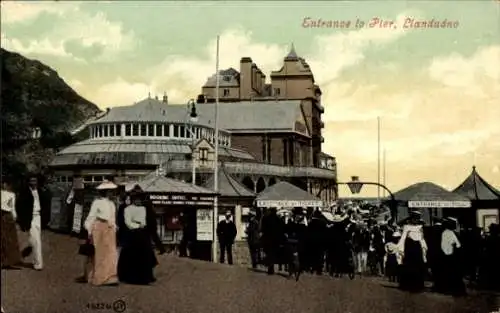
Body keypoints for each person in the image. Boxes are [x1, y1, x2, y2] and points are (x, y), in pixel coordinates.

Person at [118, 188, 162, 285]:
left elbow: (147, 223)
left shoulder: (144, 208)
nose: (138, 201)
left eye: (139, 199)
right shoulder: (128, 209)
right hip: (132, 236)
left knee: (143, 257)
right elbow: (126, 222)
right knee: (132, 257)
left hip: (142, 236)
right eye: (136, 199)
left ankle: (143, 277)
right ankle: (132, 277)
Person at [84, 180, 119, 286]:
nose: (111, 193)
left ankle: (110, 277)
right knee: (100, 254)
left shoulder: (112, 203)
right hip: (99, 228)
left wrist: (114, 226)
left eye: (111, 191)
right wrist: (89, 231)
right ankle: (99, 277)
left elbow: (112, 217)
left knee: (111, 253)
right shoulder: (97, 202)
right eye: (108, 191)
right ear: (104, 191)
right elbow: (92, 216)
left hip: (110, 229)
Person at [16, 174, 50, 271]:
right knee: (36, 240)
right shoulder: (24, 193)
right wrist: (22, 221)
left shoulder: (41, 191)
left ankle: (37, 261)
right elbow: (19, 207)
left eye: (35, 181)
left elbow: (46, 204)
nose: (33, 183)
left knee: (35, 240)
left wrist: (45, 218)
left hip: (38, 217)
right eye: (31, 181)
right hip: (30, 218)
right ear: (28, 182)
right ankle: (38, 264)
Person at [396, 210, 428, 292]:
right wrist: (400, 249)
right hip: (409, 247)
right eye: (414, 218)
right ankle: (408, 285)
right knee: (409, 267)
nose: (416, 220)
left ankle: (418, 285)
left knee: (418, 267)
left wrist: (424, 248)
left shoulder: (420, 227)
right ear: (411, 219)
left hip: (417, 248)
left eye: (417, 218)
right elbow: (403, 238)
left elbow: (422, 238)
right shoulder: (406, 226)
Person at [437, 217, 466, 296]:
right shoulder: (449, 233)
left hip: (453, 256)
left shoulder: (451, 233)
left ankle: (455, 289)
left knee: (454, 274)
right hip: (452, 256)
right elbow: (446, 246)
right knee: (453, 274)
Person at [1, 179, 22, 269]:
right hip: (3, 215)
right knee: (4, 238)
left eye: (6, 184)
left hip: (7, 216)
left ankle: (9, 260)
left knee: (9, 238)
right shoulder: (3, 193)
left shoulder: (12, 194)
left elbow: (12, 207)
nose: (5, 185)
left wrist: (15, 217)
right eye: (4, 184)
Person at [260, 208, 286, 275]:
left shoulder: (266, 219)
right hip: (276, 240)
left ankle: (270, 267)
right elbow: (282, 228)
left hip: (268, 239)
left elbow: (263, 229)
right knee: (273, 253)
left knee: (269, 253)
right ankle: (272, 267)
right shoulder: (278, 219)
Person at [306, 209, 327, 275]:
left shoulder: (311, 223)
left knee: (313, 254)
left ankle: (312, 268)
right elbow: (325, 232)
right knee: (320, 255)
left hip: (312, 241)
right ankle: (319, 270)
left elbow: (308, 232)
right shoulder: (323, 223)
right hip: (321, 241)